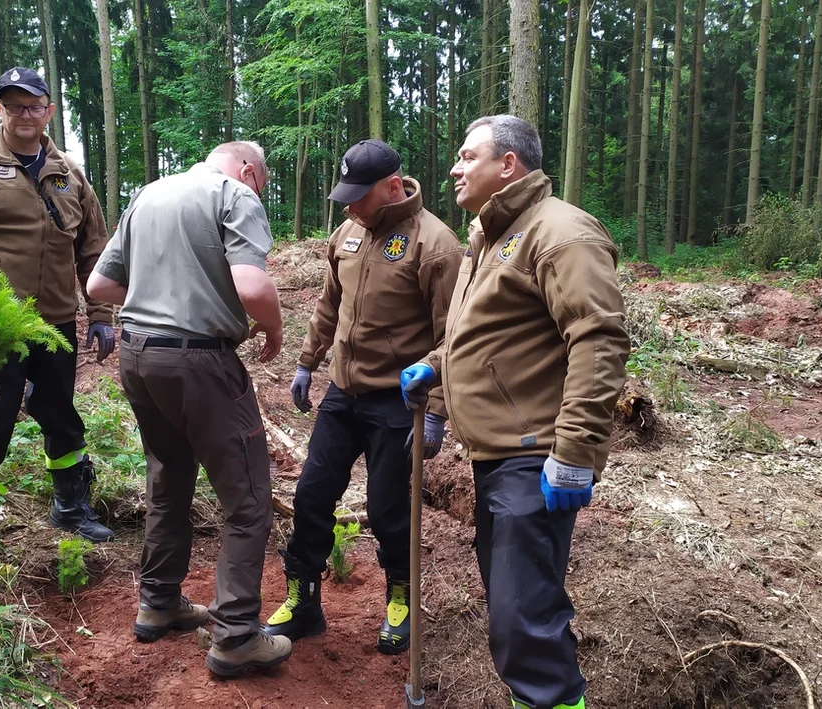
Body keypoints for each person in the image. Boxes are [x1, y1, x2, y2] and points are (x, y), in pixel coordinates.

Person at [400, 116, 629, 709]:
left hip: (535, 459)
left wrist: (575, 453)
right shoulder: (491, 236)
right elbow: (481, 337)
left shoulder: (560, 234)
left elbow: (598, 339)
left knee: (523, 620)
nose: (454, 168)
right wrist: (437, 367)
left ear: (508, 165)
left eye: (467, 155)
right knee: (515, 611)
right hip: (496, 457)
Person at [86, 141, 292, 678]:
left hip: (137, 355)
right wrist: (273, 326)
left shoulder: (148, 195)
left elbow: (100, 285)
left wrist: (162, 291)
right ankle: (238, 636)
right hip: (199, 361)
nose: (258, 192)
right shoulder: (233, 195)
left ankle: (158, 601)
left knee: (169, 476)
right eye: (261, 184)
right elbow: (251, 285)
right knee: (247, 500)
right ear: (248, 170)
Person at [262, 140, 462, 654]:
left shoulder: (435, 245)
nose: (349, 207)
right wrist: (307, 362)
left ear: (393, 187)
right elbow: (330, 305)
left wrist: (436, 411)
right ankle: (303, 599)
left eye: (359, 196)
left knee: (388, 507)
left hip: (398, 401)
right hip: (343, 393)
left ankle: (400, 595)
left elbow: (452, 337)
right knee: (311, 495)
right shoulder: (348, 233)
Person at [0, 67, 117, 570]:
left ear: (49, 111)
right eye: (14, 106)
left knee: (58, 411)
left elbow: (94, 251)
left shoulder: (69, 173)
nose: (24, 115)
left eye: (33, 105)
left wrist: (100, 313)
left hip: (54, 322)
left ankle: (71, 506)